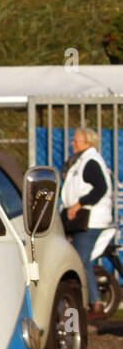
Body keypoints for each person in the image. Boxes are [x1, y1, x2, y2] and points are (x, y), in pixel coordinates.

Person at [62, 126, 115, 322]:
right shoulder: (81, 161)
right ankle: (89, 303)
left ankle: (96, 304)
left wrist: (79, 204)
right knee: (78, 260)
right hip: (81, 219)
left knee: (80, 260)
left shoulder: (90, 162)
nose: (72, 143)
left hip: (91, 220)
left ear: (88, 142)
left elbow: (100, 188)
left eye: (76, 140)